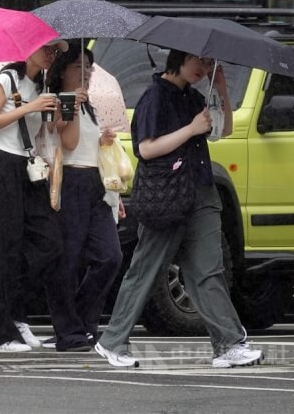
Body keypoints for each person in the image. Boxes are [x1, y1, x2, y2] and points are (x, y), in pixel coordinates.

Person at [95, 50, 264, 369]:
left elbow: (221, 130)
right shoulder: (154, 96)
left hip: (200, 191)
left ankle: (229, 343)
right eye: (197, 61)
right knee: (146, 270)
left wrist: (221, 86)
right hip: (167, 196)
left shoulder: (192, 96)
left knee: (208, 271)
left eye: (208, 62)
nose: (202, 68)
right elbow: (146, 149)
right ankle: (113, 340)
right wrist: (190, 129)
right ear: (178, 59)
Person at [0, 40, 67, 352]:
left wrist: (58, 112)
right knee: (3, 246)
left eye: (56, 52)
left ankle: (16, 318)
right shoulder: (9, 80)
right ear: (28, 48)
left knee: (47, 241)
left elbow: (45, 134)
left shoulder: (41, 84)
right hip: (0, 163)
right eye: (47, 49)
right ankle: (1, 330)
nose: (51, 55)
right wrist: (29, 107)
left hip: (27, 167)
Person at [42, 46, 122, 352]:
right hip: (69, 181)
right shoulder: (58, 102)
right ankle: (70, 331)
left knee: (110, 256)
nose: (85, 73)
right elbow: (69, 141)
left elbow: (89, 146)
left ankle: (83, 322)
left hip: (95, 182)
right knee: (68, 260)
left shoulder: (91, 107)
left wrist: (102, 141)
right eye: (78, 66)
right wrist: (71, 107)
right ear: (63, 71)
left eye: (88, 68)